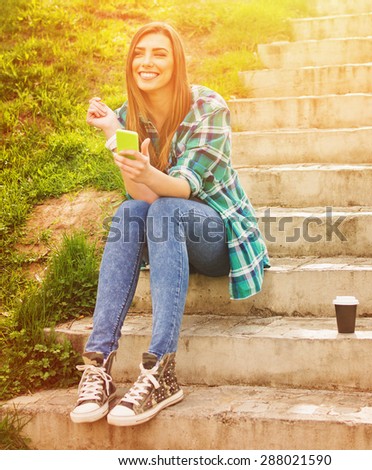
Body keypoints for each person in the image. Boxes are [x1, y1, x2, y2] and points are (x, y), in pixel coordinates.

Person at [70, 22, 270, 427]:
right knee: (130, 213)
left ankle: (161, 369)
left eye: (159, 53)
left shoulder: (208, 107)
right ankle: (99, 363)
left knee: (166, 208)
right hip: (166, 232)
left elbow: (180, 189)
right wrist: (115, 134)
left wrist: (144, 170)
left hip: (217, 235)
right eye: (139, 54)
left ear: (177, 62)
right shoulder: (129, 115)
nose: (147, 62)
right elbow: (139, 198)